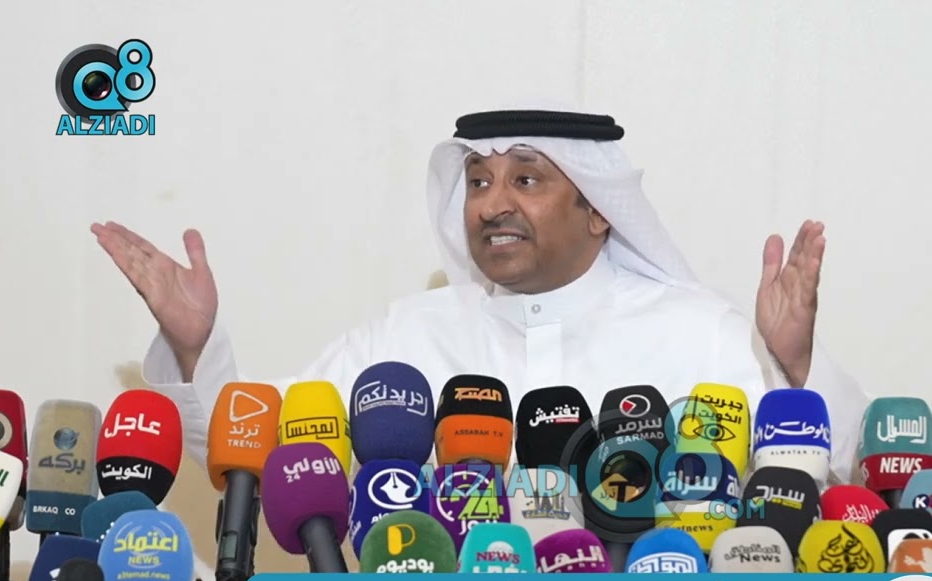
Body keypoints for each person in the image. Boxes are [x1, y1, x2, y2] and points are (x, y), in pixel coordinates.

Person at [94, 109, 869, 485]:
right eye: (477, 182)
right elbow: (258, 455)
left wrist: (794, 366)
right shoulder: (404, 339)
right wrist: (195, 348)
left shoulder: (699, 332)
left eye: (526, 179)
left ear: (599, 210)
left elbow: (840, 471)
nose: (493, 204)